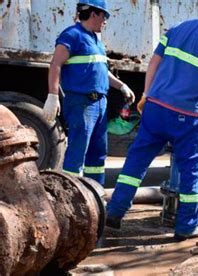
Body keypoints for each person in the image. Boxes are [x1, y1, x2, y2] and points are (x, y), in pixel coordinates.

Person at [106, 0, 198, 241]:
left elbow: (153, 62)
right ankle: (185, 227)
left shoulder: (176, 28)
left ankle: (115, 213)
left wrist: (146, 94)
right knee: (190, 171)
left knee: (136, 162)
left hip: (155, 107)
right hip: (185, 116)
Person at [43, 0, 135, 185]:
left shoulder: (95, 40)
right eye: (105, 16)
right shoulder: (72, 35)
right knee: (77, 151)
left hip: (99, 103)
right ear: (94, 14)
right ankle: (70, 194)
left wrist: (121, 85)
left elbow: (100, 69)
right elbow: (56, 64)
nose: (105, 22)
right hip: (82, 103)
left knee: (97, 154)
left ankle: (95, 193)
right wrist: (53, 95)